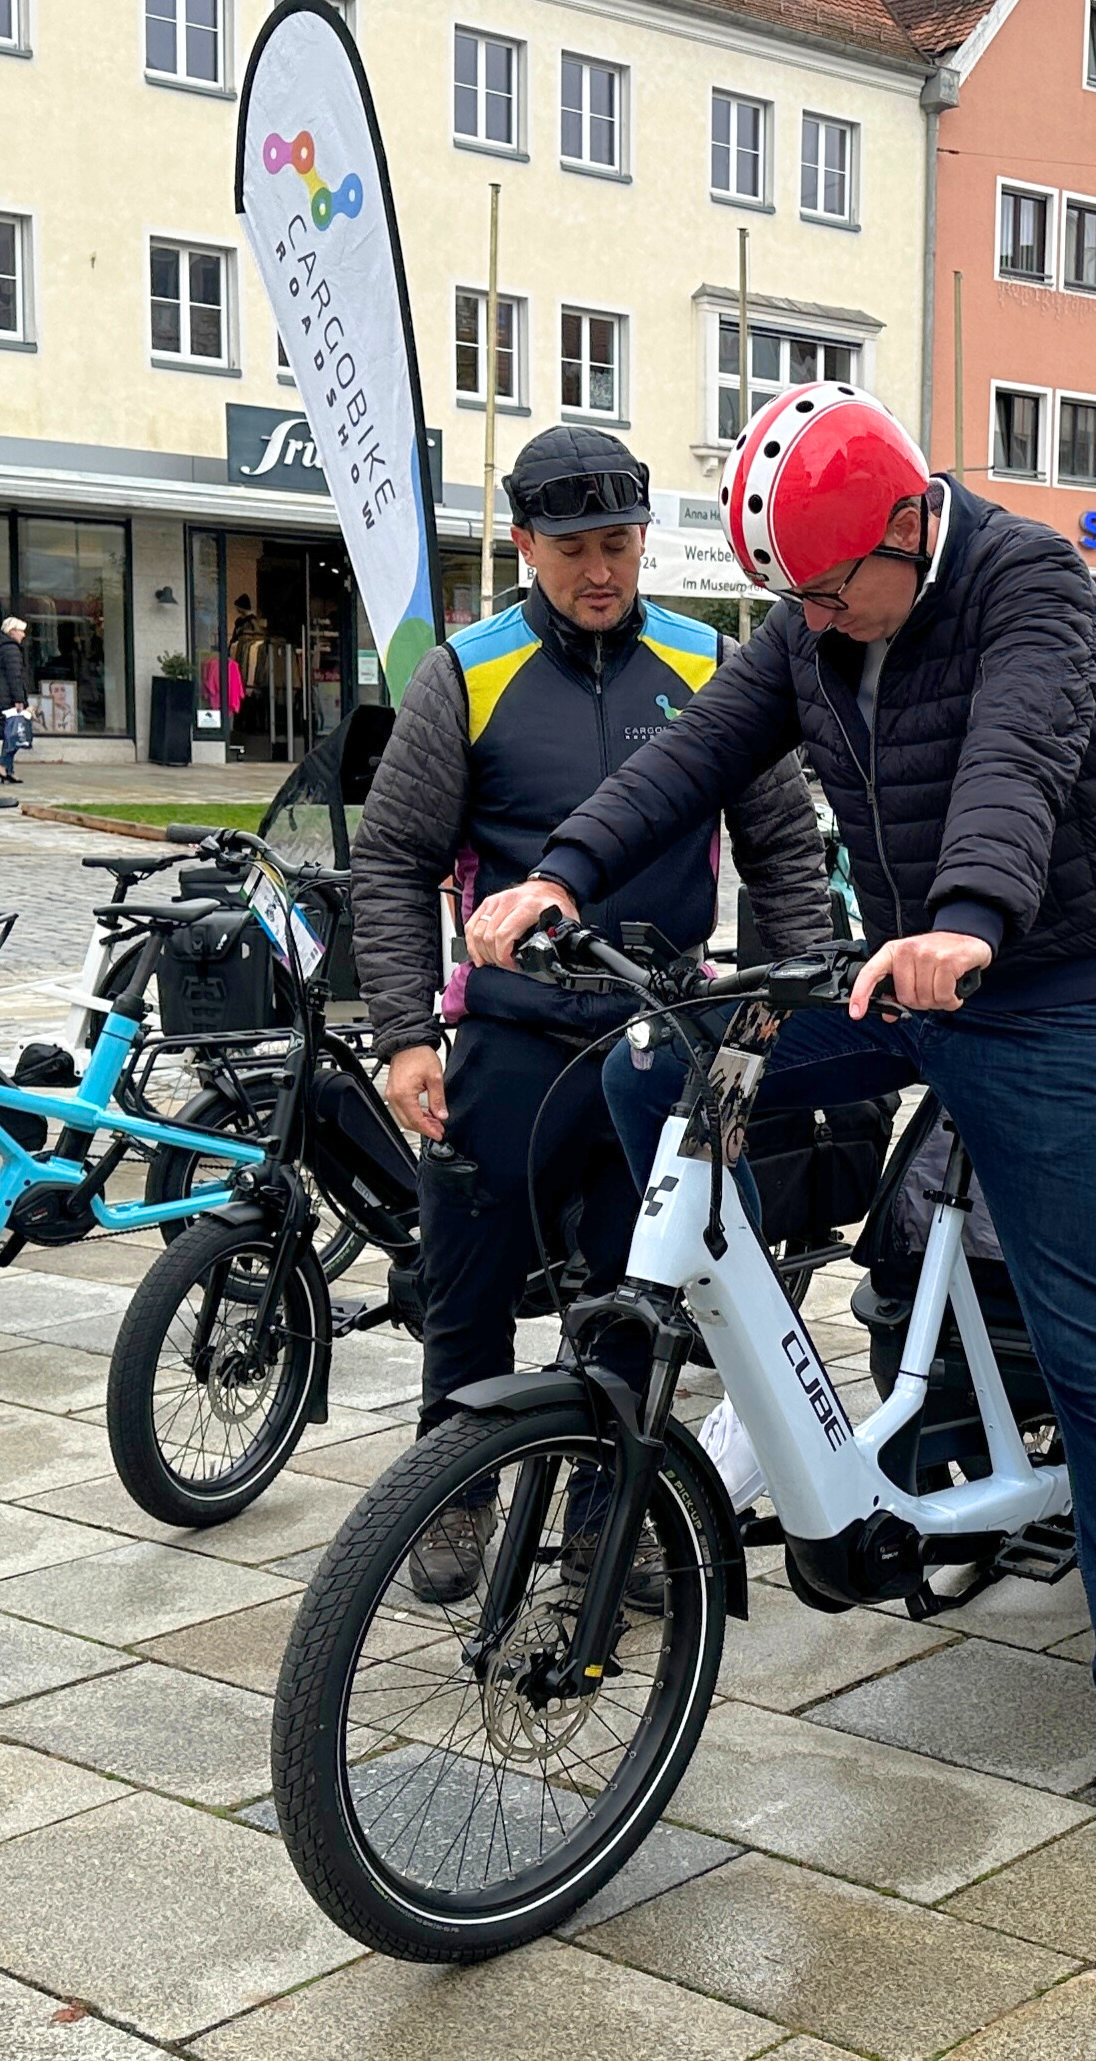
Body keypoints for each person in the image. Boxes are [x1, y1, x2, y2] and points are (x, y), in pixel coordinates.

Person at [464, 384, 1096, 1835]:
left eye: (825, 591)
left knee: (1083, 1339)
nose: (806, 622)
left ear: (910, 527)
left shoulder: (1029, 582)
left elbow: (1018, 761)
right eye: (783, 599)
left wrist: (974, 916)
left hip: (1042, 986)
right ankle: (767, 1394)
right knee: (646, 1065)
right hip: (891, 973)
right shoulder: (813, 620)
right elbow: (692, 753)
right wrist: (559, 871)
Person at [348, 424, 833, 1603]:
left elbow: (783, 855)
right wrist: (407, 1033)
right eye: (572, 550)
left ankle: (602, 1527)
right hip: (512, 1034)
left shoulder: (715, 666)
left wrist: (778, 1017)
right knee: (465, 1283)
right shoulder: (464, 671)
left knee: (637, 1298)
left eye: (618, 543)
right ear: (524, 545)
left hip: (658, 1038)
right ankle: (454, 1498)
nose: (601, 571)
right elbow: (396, 859)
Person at [0, 615, 30, 784]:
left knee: (10, 734)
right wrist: (19, 699)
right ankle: (3, 763)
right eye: (21, 631)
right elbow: (15, 676)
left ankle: (7, 768)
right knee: (17, 733)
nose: (23, 635)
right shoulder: (11, 650)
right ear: (12, 632)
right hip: (8, 698)